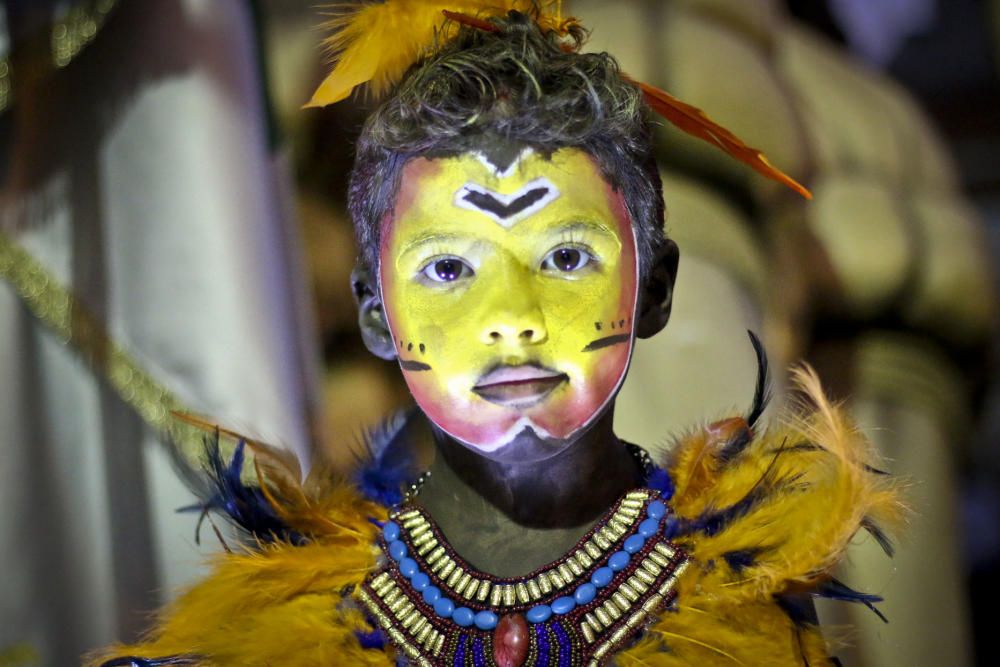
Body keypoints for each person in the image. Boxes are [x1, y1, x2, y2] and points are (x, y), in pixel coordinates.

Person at [89, 4, 902, 666]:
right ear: (376, 314)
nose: (512, 315)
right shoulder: (280, 628)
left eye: (565, 255)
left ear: (653, 288)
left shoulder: (743, 616)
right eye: (447, 269)